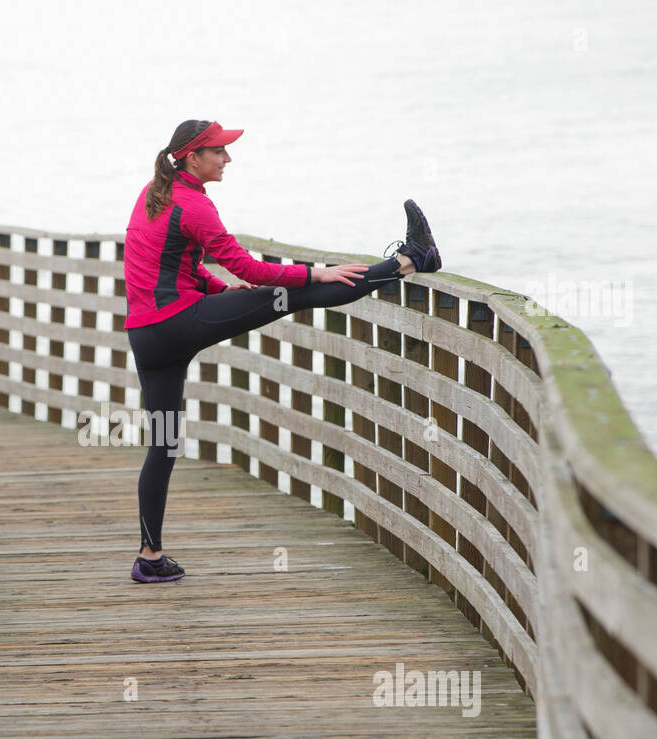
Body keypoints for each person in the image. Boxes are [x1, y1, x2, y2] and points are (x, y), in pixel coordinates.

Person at [123, 119, 442, 584]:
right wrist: (315, 273)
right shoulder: (195, 206)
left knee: (164, 444)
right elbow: (246, 265)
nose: (227, 159)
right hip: (176, 324)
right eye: (219, 152)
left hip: (148, 336)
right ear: (193, 157)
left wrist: (222, 290)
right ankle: (411, 259)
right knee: (290, 293)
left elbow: (169, 269)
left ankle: (149, 557)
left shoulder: (155, 193)